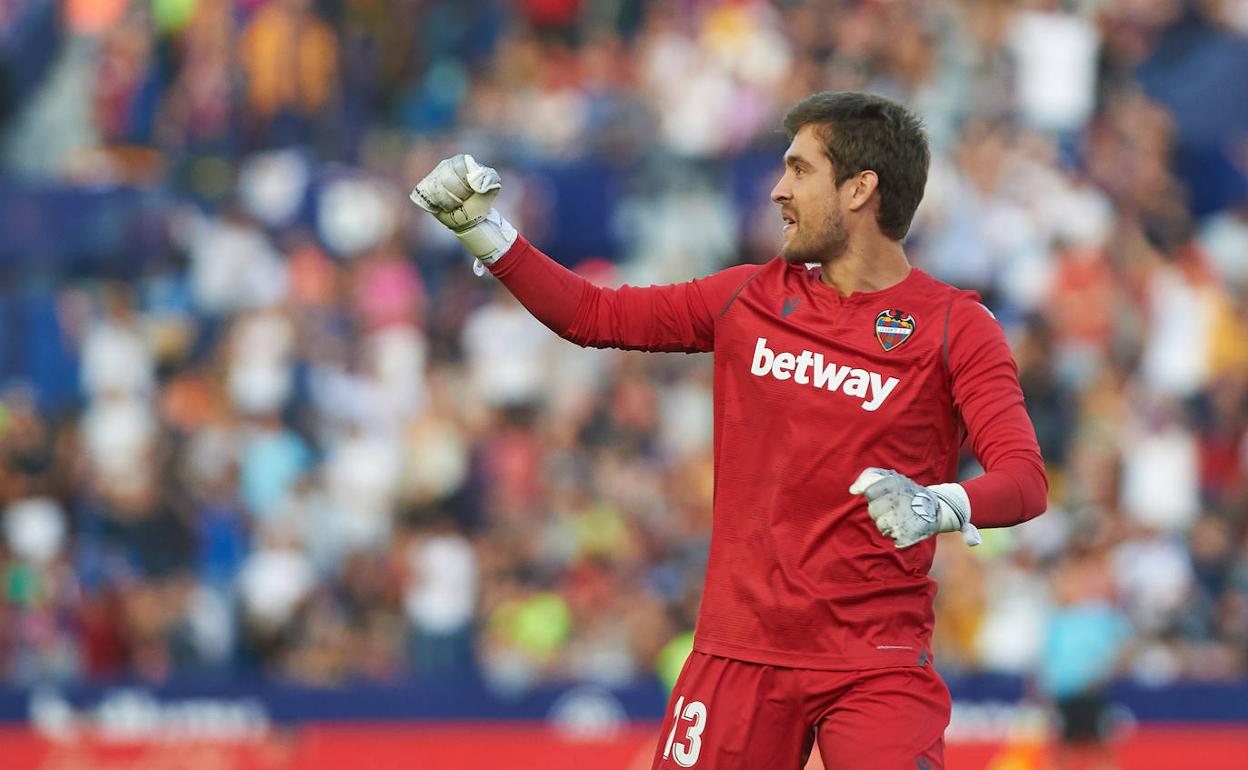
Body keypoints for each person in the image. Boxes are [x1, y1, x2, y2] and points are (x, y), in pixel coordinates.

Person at [411, 91, 1048, 770]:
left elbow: (1024, 479)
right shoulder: (749, 297)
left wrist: (938, 505)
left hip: (876, 666)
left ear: (861, 189)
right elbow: (594, 315)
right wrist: (488, 234)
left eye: (800, 170)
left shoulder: (955, 325)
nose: (777, 191)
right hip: (736, 657)